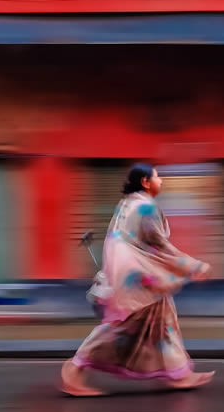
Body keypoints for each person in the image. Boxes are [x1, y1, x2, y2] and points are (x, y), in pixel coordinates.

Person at [60, 163, 215, 396]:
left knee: (163, 323)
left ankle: (179, 374)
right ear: (145, 182)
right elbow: (161, 246)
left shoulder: (126, 205)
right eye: (157, 176)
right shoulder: (145, 208)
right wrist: (194, 266)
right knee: (121, 328)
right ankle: (74, 368)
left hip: (129, 275)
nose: (160, 180)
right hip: (139, 279)